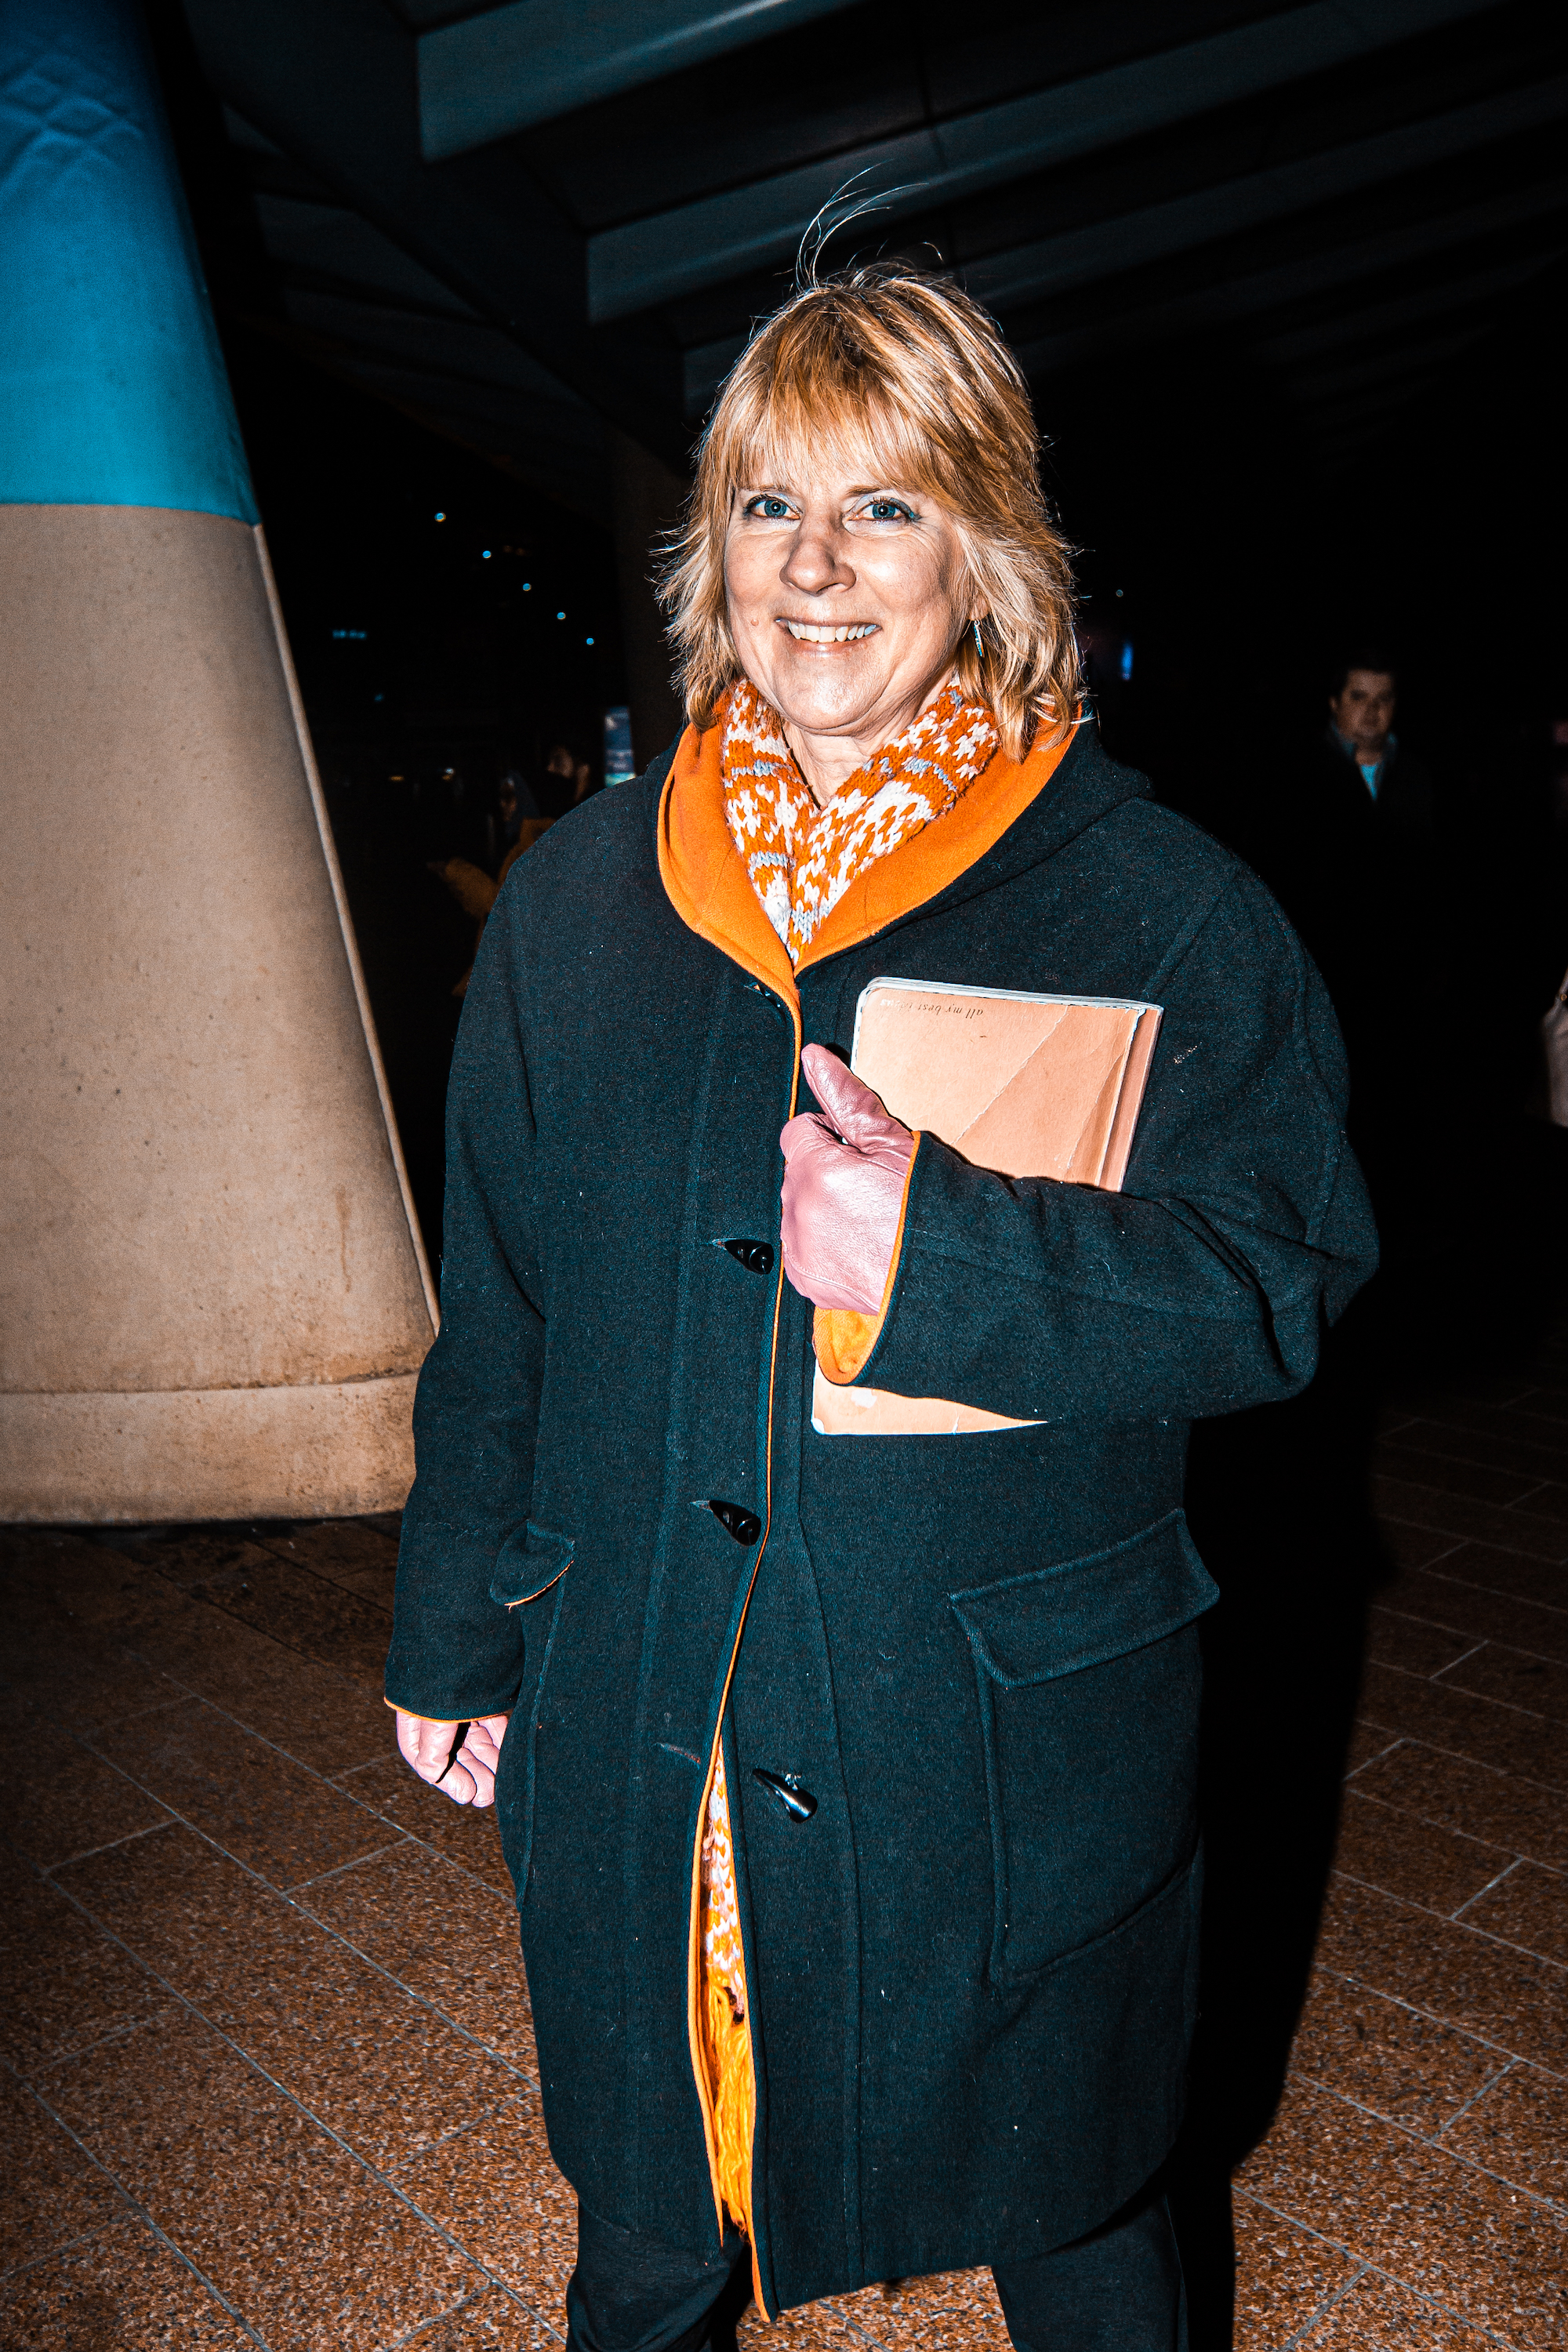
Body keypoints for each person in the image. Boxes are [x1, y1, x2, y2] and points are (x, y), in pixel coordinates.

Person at [386, 263, 1376, 2352]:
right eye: (768, 508)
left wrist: (957, 1260)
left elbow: (1282, 1281)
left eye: (886, 508)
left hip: (999, 1726)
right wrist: (459, 1628)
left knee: (1078, 2207)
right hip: (642, 1684)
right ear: (710, 549)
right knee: (648, 2217)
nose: (815, 569)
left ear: (988, 557)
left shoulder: (1163, 903)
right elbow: (503, 1311)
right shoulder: (580, 900)